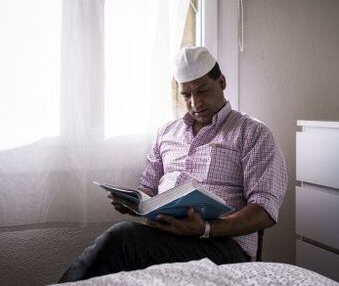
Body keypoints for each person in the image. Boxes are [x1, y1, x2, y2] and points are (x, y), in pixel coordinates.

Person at [58, 46, 288, 282]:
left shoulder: (252, 133)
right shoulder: (167, 133)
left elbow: (265, 210)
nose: (195, 102)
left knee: (120, 239)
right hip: (165, 236)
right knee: (120, 251)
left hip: (224, 246)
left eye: (202, 90)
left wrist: (206, 229)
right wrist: (134, 202)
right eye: (186, 95)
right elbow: (146, 188)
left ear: (221, 82)